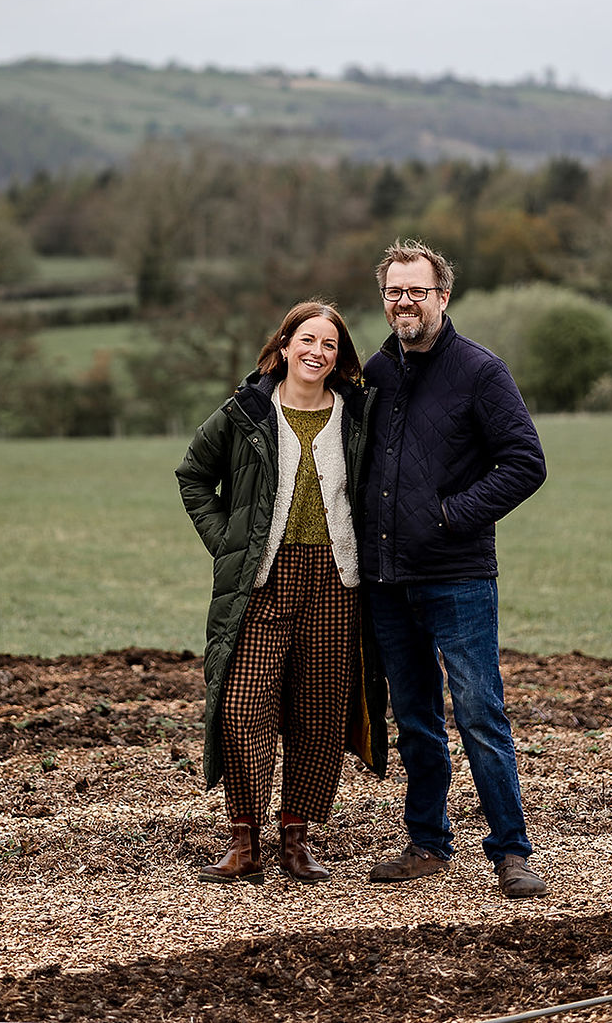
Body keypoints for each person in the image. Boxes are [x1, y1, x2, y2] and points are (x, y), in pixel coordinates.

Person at [176, 300, 388, 886]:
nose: (317, 352)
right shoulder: (246, 411)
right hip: (263, 580)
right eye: (308, 340)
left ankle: (297, 838)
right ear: (285, 344)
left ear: (339, 357)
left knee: (319, 711)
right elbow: (193, 476)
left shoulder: (357, 414)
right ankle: (243, 840)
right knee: (242, 706)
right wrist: (228, 544)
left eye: (330, 344)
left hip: (337, 580)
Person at [361, 240, 549, 899]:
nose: (404, 302)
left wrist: (449, 516)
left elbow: (526, 463)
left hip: (458, 576)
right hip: (388, 581)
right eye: (394, 292)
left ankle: (511, 852)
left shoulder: (480, 371)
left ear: (443, 296)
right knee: (415, 720)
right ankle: (428, 844)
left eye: (417, 291)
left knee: (479, 715)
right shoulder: (375, 373)